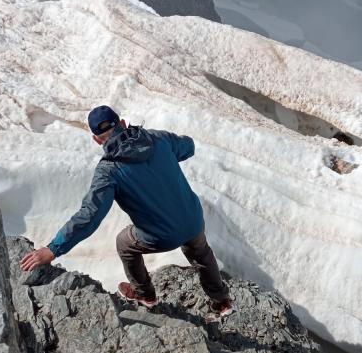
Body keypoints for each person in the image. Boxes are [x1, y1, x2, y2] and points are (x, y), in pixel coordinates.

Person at [20, 105, 234, 316]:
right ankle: (221, 301)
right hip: (193, 219)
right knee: (201, 252)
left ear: (96, 139)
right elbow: (188, 147)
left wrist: (53, 249)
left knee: (125, 242)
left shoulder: (108, 171)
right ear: (122, 123)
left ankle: (145, 295)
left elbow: (90, 215)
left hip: (161, 236)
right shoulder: (158, 138)